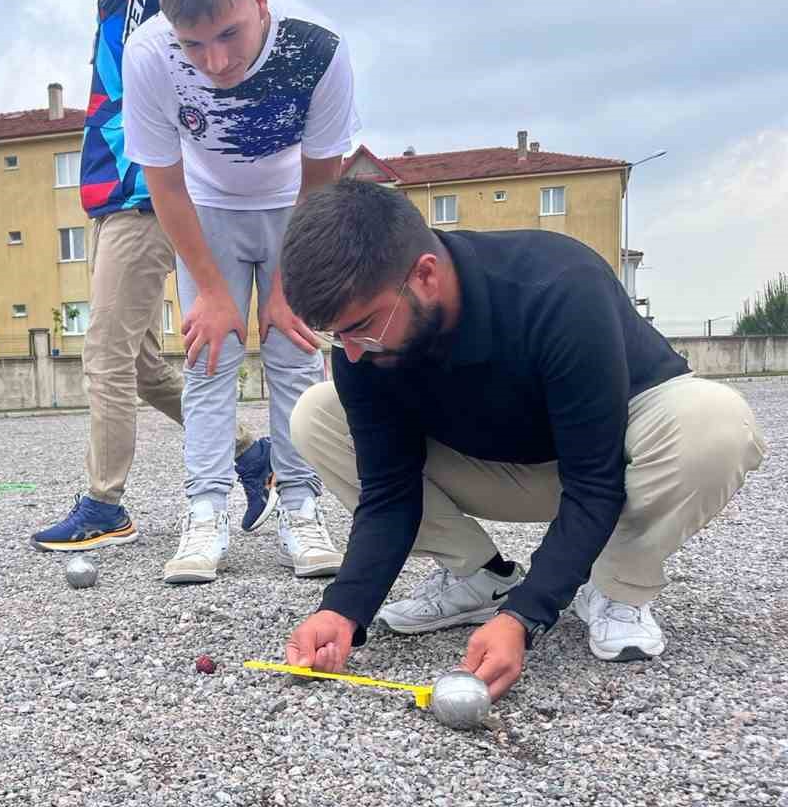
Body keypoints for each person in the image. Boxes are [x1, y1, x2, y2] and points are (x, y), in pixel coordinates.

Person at [278, 179, 767, 696]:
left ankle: (615, 586)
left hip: (616, 459)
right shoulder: (363, 342)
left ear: (424, 275)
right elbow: (388, 490)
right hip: (509, 469)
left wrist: (524, 617)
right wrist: (343, 609)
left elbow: (595, 482)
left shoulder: (558, 286)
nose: (352, 353)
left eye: (363, 328)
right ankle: (478, 577)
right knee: (316, 414)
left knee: (717, 423)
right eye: (337, 335)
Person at [31, 0, 271, 553]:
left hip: (146, 194)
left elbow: (212, 64)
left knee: (103, 351)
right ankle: (250, 455)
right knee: (139, 363)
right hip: (113, 196)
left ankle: (106, 505)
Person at [121, 0, 357, 584]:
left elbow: (322, 174)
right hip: (206, 210)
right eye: (193, 43)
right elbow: (163, 184)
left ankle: (301, 506)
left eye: (229, 34)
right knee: (208, 356)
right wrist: (215, 293)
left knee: (294, 355)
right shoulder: (147, 57)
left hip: (295, 207)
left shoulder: (319, 46)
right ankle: (205, 513)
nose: (215, 62)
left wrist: (287, 286)